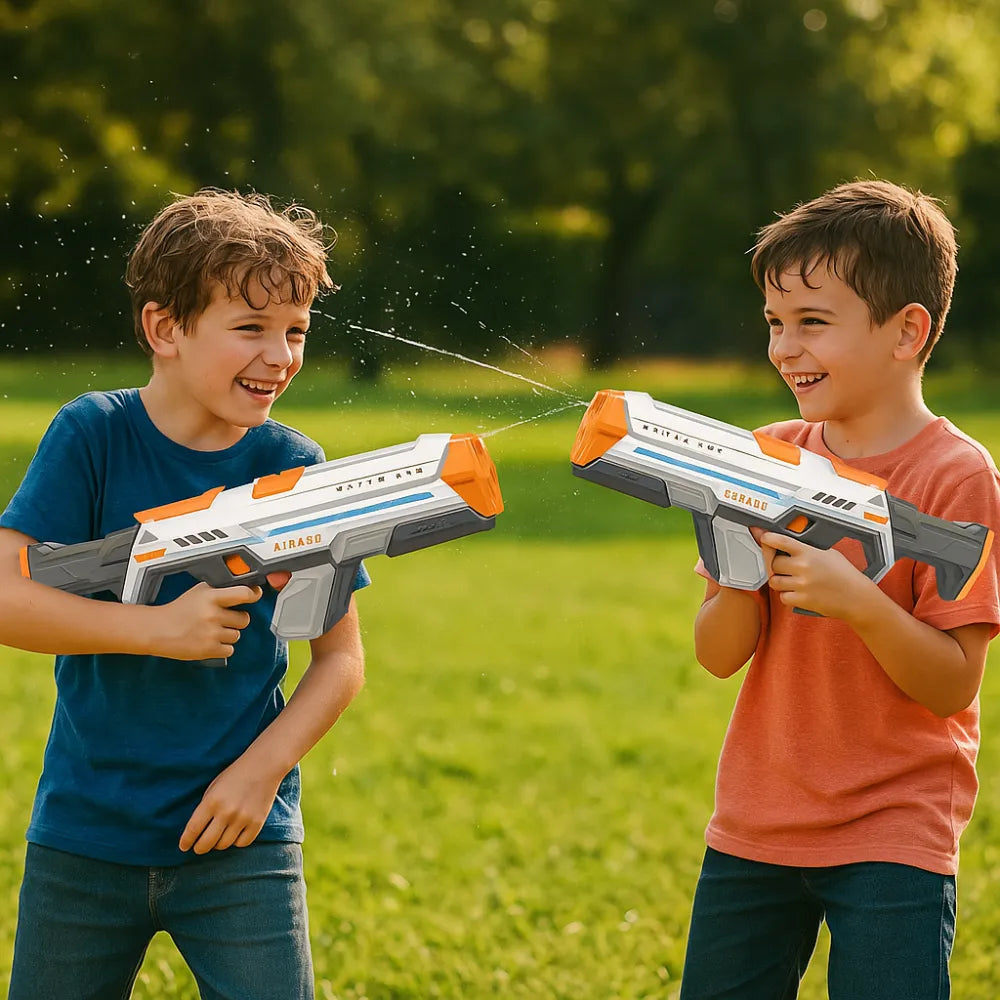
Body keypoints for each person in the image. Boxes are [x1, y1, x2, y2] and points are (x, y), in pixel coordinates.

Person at [0, 189, 369, 1000]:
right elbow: (8, 598)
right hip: (87, 832)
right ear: (165, 329)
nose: (280, 355)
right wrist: (158, 630)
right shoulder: (91, 435)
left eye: (296, 330)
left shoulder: (295, 467)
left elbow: (340, 658)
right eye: (250, 328)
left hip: (242, 840)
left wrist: (261, 774)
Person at [679, 180, 1000, 1000]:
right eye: (775, 324)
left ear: (908, 331)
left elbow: (953, 683)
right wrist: (741, 574)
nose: (785, 348)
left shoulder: (955, 477)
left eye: (813, 322)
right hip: (756, 819)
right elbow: (717, 658)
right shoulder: (765, 454)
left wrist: (857, 599)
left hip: (894, 831)